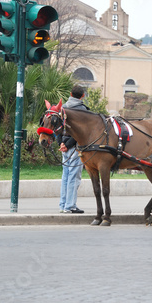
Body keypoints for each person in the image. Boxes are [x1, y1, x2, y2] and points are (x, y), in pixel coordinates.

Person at [57, 85, 89, 213]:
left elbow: (58, 128)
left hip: (63, 146)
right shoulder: (82, 110)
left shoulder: (62, 108)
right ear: (82, 96)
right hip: (75, 147)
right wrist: (68, 145)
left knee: (65, 176)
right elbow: (80, 133)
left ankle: (63, 205)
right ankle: (70, 206)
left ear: (70, 94)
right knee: (74, 177)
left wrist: (61, 144)